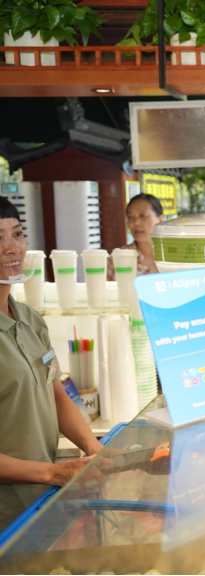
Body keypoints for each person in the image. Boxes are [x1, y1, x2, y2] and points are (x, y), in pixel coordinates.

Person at [1, 197, 106, 532]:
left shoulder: (30, 319)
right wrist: (52, 472)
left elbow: (57, 396)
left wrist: (95, 448)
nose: (11, 248)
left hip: (39, 504)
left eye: (17, 234)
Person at [107, 194, 164, 281]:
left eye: (143, 216)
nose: (136, 223)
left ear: (160, 219)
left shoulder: (175, 254)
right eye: (130, 217)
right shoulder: (119, 258)